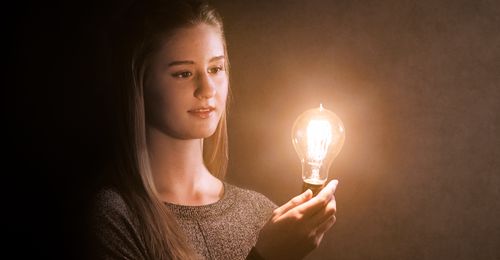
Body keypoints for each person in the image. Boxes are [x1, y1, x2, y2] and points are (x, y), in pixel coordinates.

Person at [89, 0, 339, 259]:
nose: (208, 89)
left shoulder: (260, 215)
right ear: (140, 82)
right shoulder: (118, 218)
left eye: (216, 69)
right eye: (183, 73)